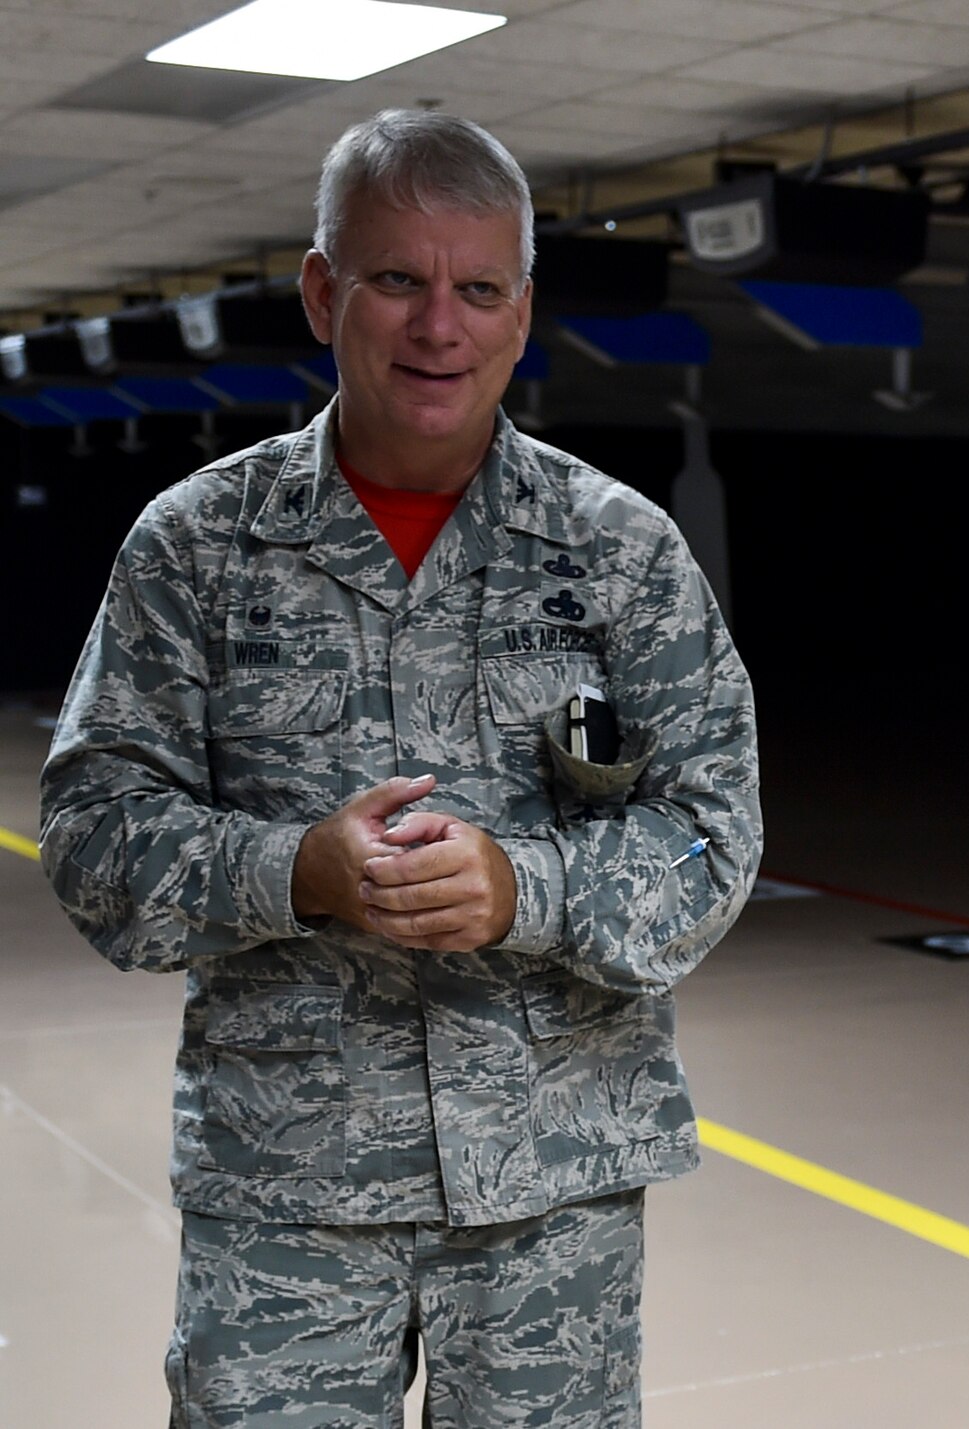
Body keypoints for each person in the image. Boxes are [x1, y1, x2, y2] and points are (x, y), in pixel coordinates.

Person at [40, 109, 760, 1427]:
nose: (441, 326)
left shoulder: (620, 556)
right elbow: (94, 837)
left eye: (478, 288)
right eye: (397, 280)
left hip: (553, 1199)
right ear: (325, 291)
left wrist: (523, 890)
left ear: (522, 311)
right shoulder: (197, 548)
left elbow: (713, 838)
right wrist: (291, 868)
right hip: (288, 1193)